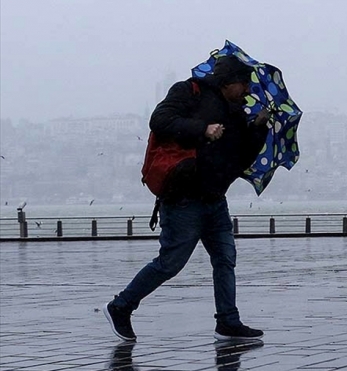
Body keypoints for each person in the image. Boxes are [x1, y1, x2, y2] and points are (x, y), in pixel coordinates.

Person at [104, 56, 269, 341]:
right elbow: (159, 120)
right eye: (244, 84)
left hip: (215, 200)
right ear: (228, 81)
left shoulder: (237, 113)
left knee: (225, 258)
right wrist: (202, 129)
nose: (248, 91)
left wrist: (258, 128)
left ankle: (228, 322)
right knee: (171, 263)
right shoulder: (188, 91)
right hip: (183, 198)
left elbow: (241, 159)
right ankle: (121, 306)